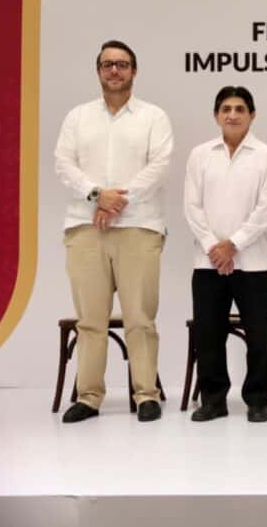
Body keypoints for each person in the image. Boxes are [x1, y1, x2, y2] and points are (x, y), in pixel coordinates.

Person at [55, 40, 173, 423]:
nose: (115, 70)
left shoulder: (154, 117)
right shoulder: (77, 117)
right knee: (91, 319)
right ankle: (89, 397)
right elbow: (63, 164)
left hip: (139, 225)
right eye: (107, 64)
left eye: (122, 64)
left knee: (140, 317)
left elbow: (158, 166)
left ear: (134, 71)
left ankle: (146, 394)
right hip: (85, 226)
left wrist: (117, 201)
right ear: (98, 71)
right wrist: (96, 195)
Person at [184, 86, 267, 423]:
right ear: (216, 115)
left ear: (252, 115)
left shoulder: (266, 155)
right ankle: (213, 400)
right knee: (209, 333)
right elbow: (192, 206)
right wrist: (215, 247)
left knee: (258, 334)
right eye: (226, 109)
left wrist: (233, 245)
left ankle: (257, 400)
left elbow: (266, 210)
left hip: (252, 262)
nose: (233, 115)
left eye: (240, 109)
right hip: (207, 261)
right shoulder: (200, 155)